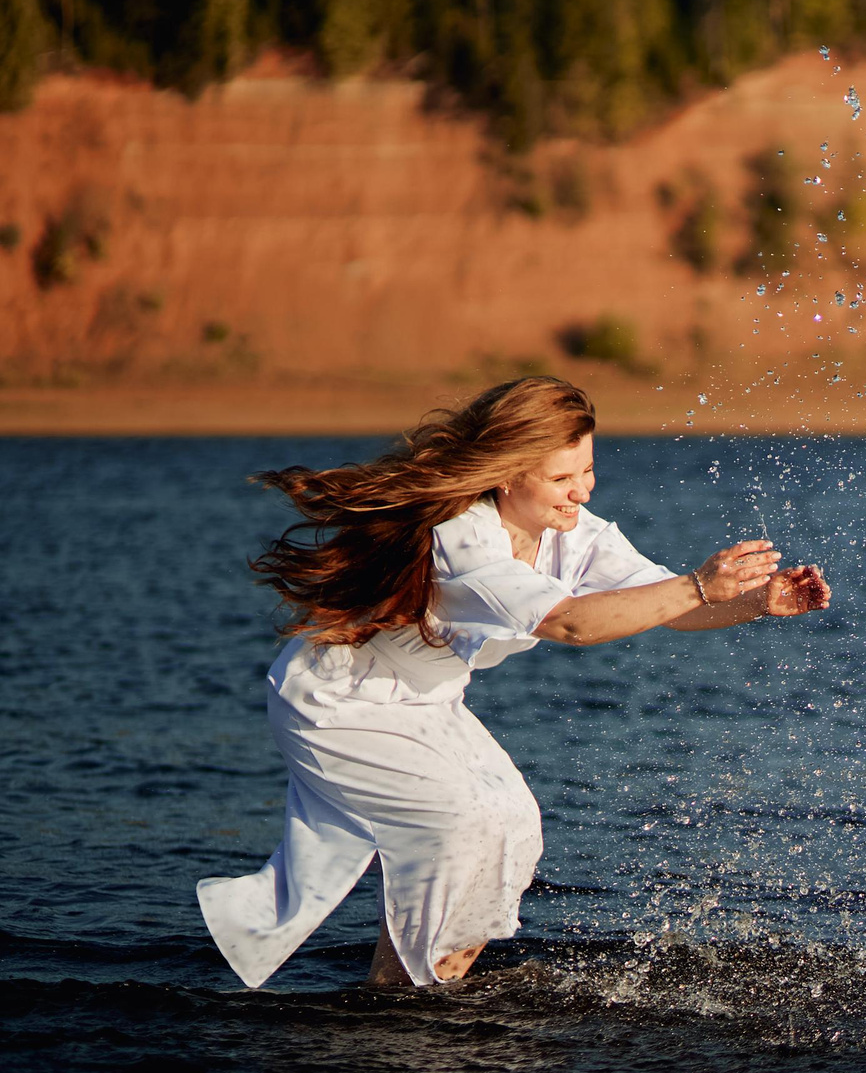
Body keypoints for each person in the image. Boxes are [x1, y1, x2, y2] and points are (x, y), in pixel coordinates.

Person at [199, 376, 832, 990]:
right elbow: (572, 624)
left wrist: (756, 603)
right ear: (506, 473)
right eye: (560, 478)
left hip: (429, 702)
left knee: (514, 824)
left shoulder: (575, 533)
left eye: (586, 470)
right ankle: (409, 995)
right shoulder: (463, 540)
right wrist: (698, 583)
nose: (580, 492)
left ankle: (414, 986)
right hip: (339, 704)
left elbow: (664, 605)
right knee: (461, 822)